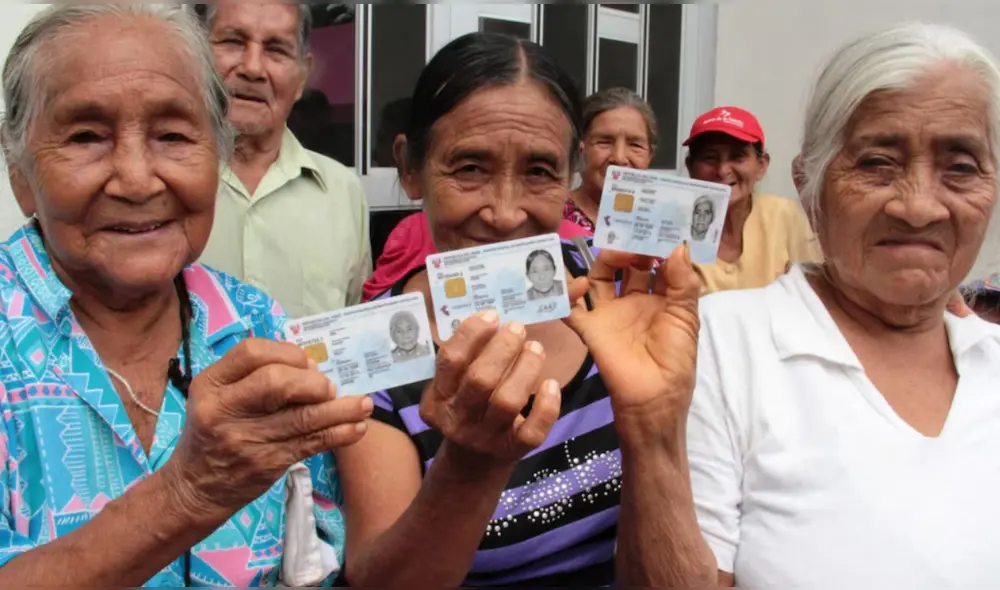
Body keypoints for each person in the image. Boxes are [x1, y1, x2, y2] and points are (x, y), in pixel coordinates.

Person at [0, 5, 373, 586]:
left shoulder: (258, 325)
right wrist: (188, 493)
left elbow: (316, 556)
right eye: (86, 137)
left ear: (217, 152)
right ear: (19, 169)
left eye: (174, 135)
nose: (137, 178)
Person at [620, 23, 1000, 588]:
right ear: (809, 185)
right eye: (877, 163)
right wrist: (650, 435)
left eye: (961, 167)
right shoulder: (723, 344)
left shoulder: (988, 355)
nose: (920, 207)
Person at [333, 32, 704, 587]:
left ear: (571, 175)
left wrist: (652, 427)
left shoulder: (619, 301)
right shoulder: (370, 352)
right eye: (470, 168)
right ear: (410, 169)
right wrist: (469, 466)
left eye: (538, 171)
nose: (506, 214)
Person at [196, 1, 372, 319]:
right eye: (233, 42)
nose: (252, 68)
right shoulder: (162, 183)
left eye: (276, 49)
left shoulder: (343, 191)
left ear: (302, 75)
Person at [684, 106, 822, 293]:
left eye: (737, 156)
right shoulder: (672, 221)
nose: (723, 170)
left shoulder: (787, 217)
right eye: (709, 158)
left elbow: (813, 293)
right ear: (690, 167)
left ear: (761, 165)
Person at [565, 88, 657, 235]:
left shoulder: (661, 224)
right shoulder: (552, 219)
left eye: (635, 145)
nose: (619, 158)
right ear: (580, 149)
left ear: (649, 156)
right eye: (604, 142)